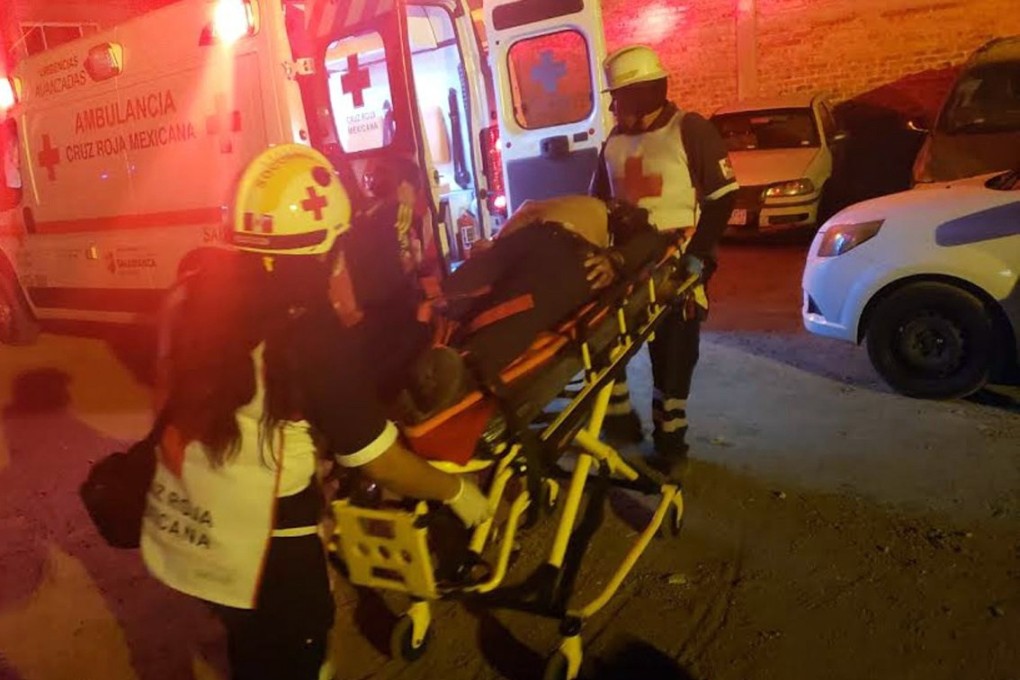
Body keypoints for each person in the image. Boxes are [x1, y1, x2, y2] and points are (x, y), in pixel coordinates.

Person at [140, 145, 491, 680]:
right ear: (326, 247)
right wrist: (457, 492)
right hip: (268, 546)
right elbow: (379, 461)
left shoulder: (187, 296)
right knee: (293, 656)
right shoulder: (310, 333)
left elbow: (165, 398)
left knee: (250, 646)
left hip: (191, 519)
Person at [589, 45, 739, 475]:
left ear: (643, 94)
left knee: (673, 358)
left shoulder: (689, 130)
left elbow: (723, 198)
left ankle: (670, 443)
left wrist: (698, 256)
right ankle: (620, 421)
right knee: (604, 339)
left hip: (676, 264)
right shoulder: (613, 143)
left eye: (619, 98)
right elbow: (598, 202)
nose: (615, 108)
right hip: (626, 264)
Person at [402, 195, 665, 421]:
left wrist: (496, 242)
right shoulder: (607, 214)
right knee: (519, 309)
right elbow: (652, 240)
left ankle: (420, 365)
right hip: (567, 254)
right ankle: (454, 374)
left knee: (448, 296)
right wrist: (617, 259)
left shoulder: (574, 202)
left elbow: (527, 209)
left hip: (528, 240)